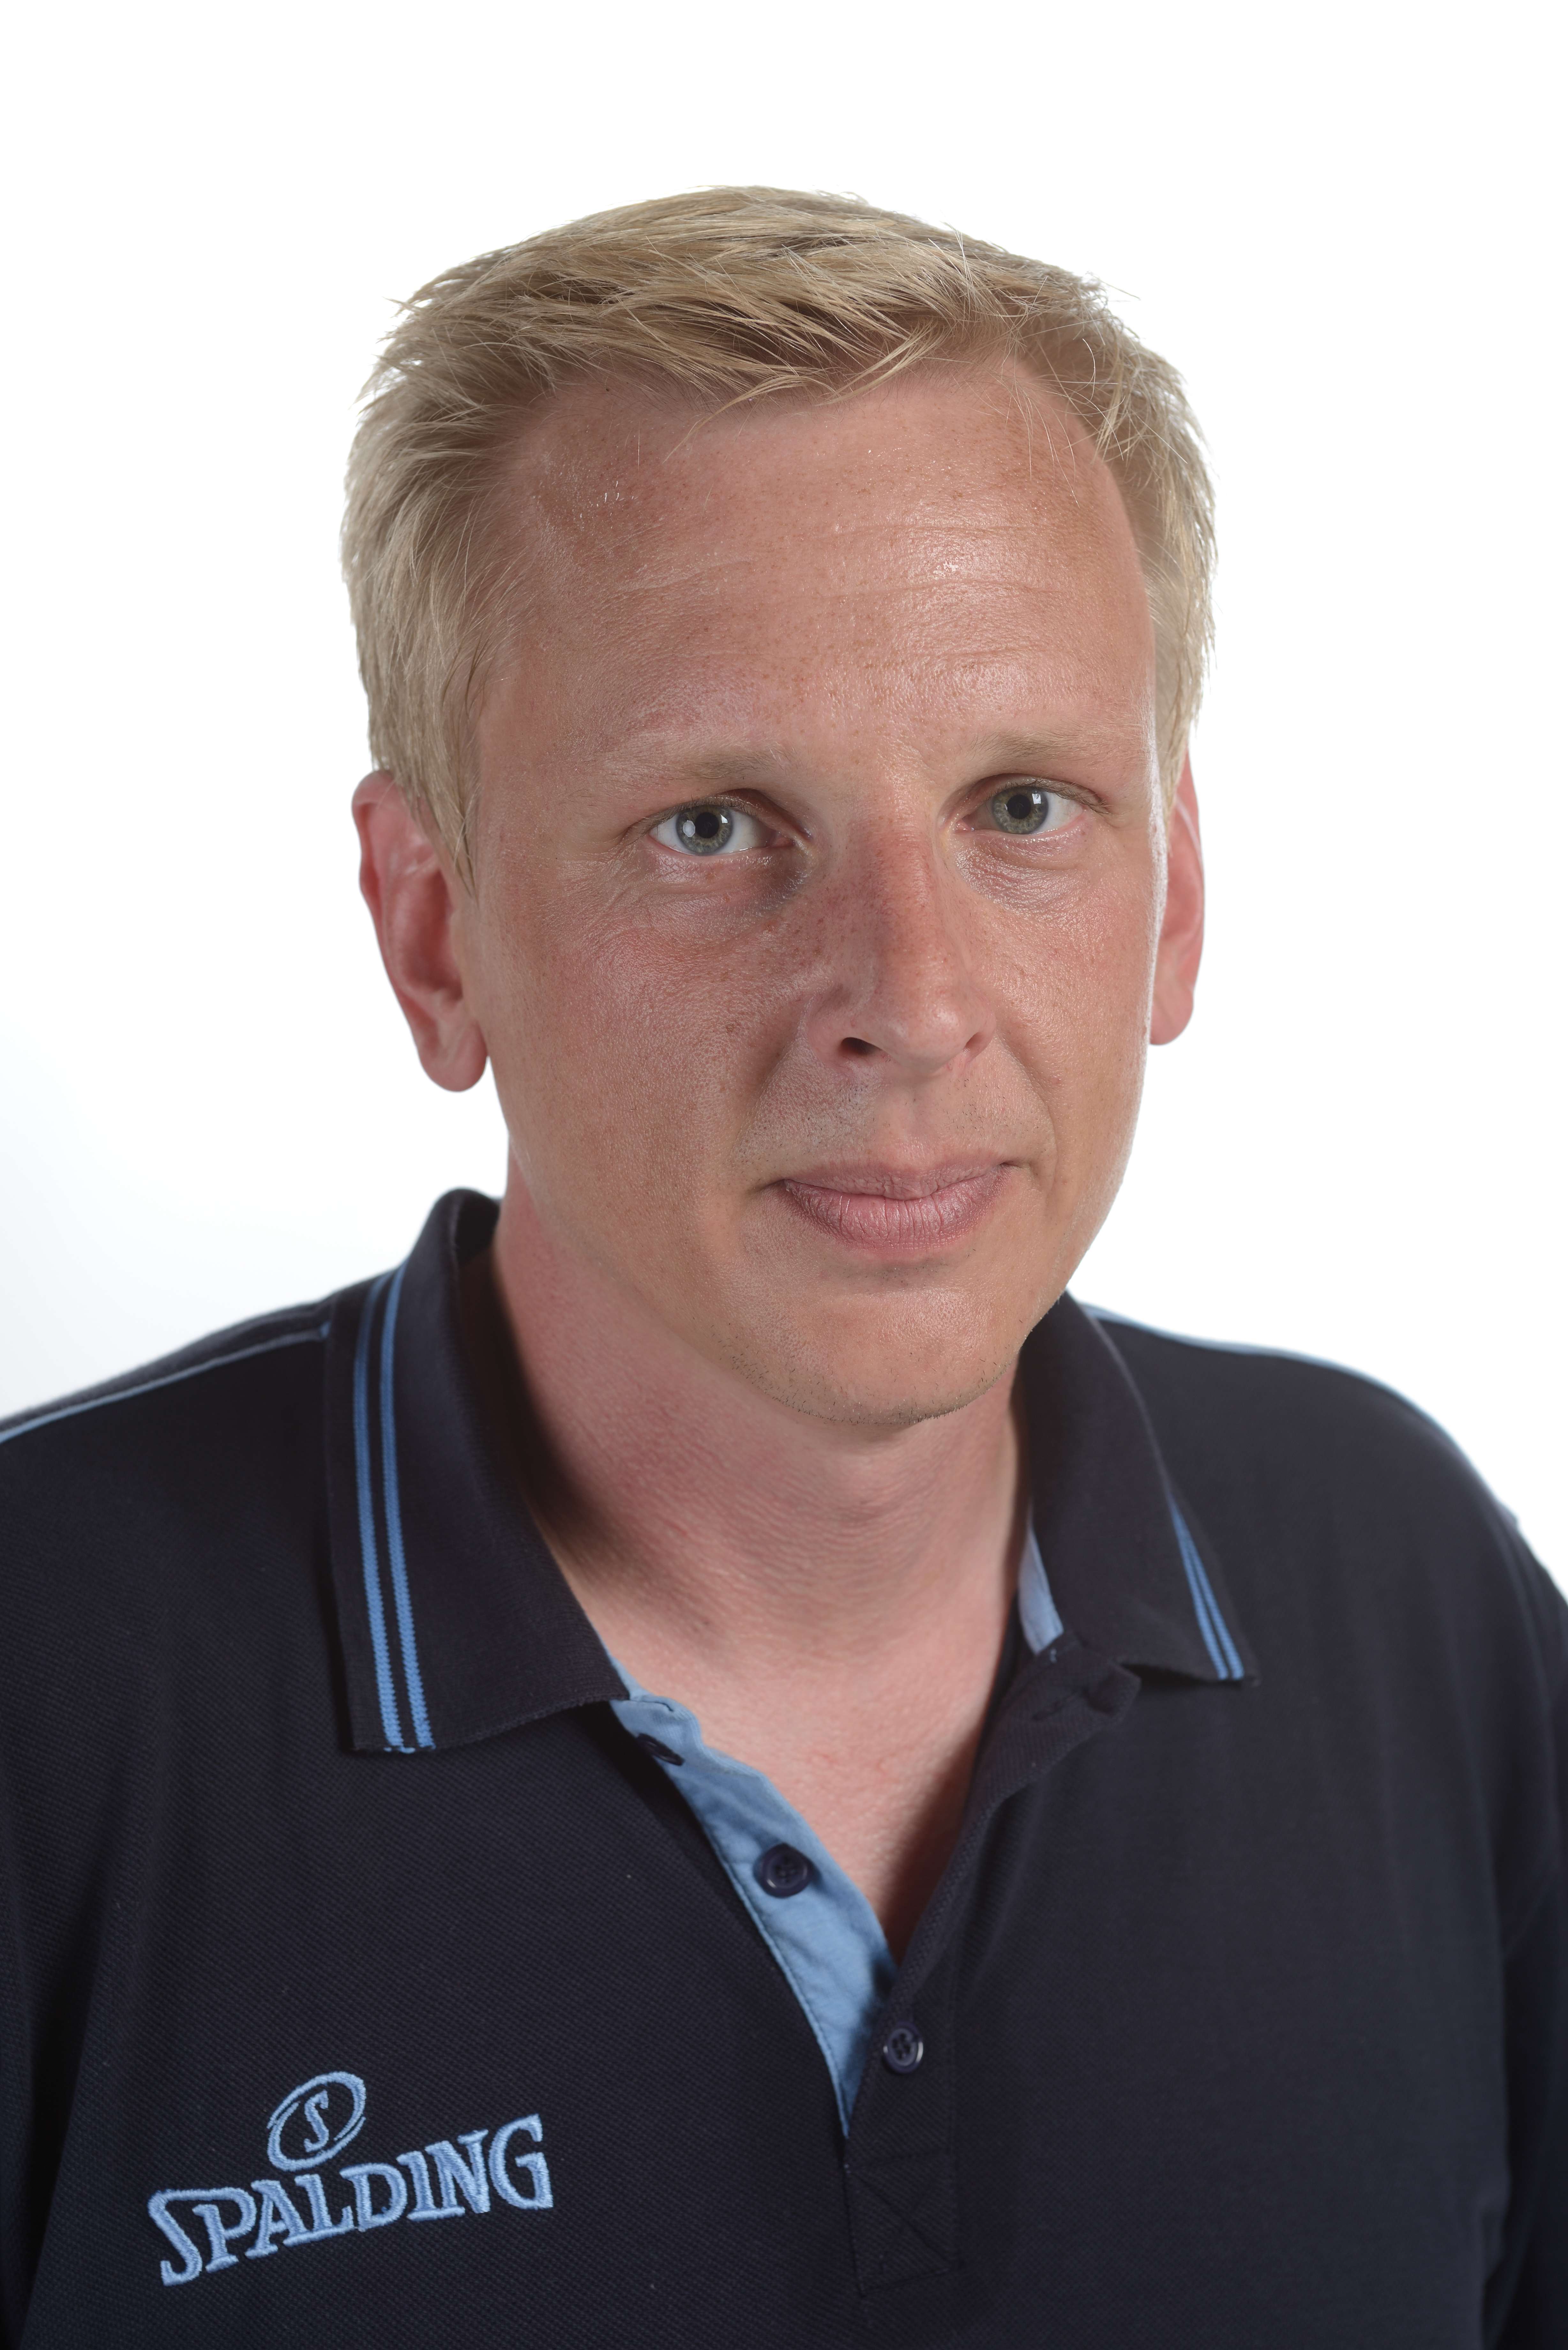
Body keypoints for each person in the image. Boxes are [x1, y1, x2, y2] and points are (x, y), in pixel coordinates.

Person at [0, 187, 1561, 2350]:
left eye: (1023, 808)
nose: (909, 1001)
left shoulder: (1404, 1589)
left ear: (1179, 896)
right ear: (434, 927)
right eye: (717, 825)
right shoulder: (45, 1674)